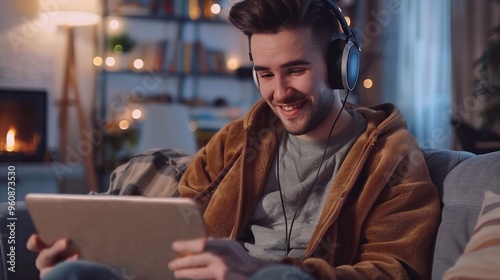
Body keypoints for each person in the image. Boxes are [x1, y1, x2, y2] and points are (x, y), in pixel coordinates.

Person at [27, 0, 440, 279]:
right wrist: (94, 249)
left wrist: (259, 271)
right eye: (264, 73)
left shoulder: (392, 155)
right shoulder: (239, 139)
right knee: (71, 273)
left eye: (295, 70)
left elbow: (395, 269)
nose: (278, 92)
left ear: (340, 66)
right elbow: (175, 227)